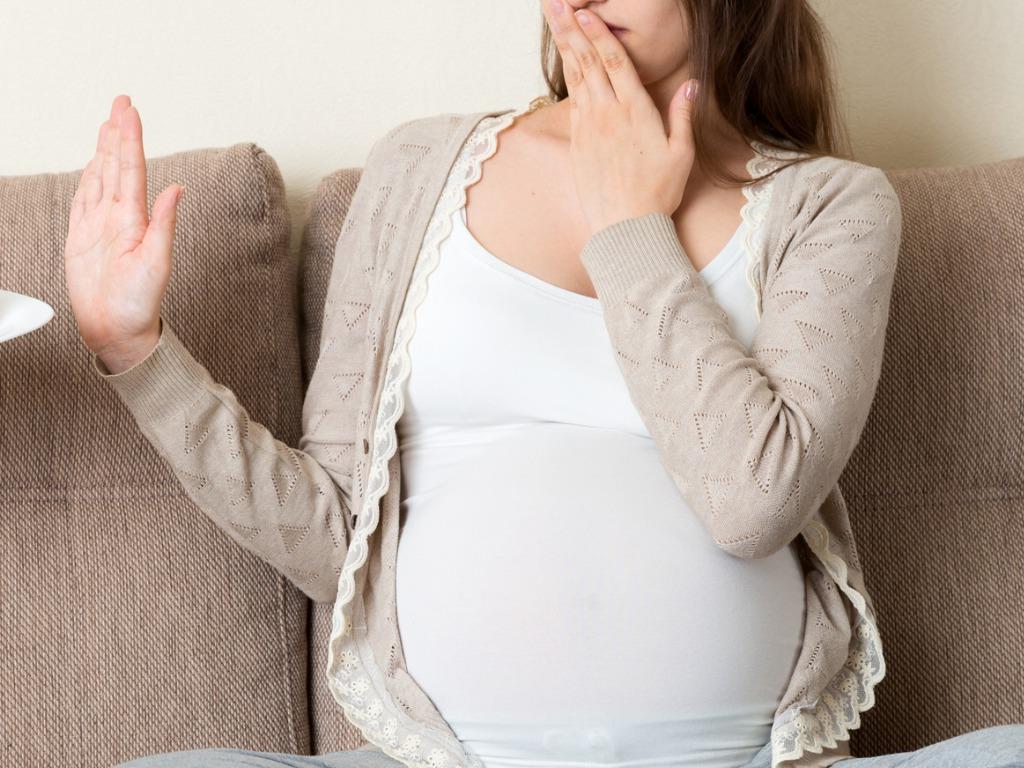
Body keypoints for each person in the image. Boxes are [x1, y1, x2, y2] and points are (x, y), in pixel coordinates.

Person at [68, 1, 1024, 767]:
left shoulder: (832, 205)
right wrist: (136, 350)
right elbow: (339, 537)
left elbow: (750, 502)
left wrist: (627, 227)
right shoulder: (418, 172)